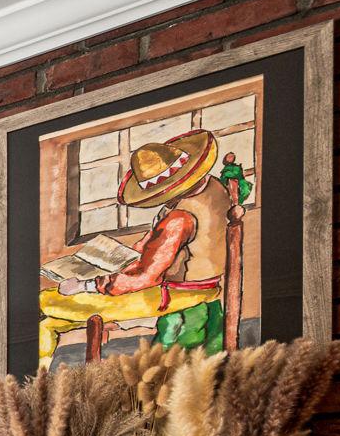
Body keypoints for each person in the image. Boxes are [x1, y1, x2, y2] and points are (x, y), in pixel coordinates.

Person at [37, 128, 236, 361]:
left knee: (47, 300)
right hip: (195, 283)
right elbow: (154, 247)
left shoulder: (179, 219)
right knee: (48, 320)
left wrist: (87, 285)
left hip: (178, 292)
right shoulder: (213, 188)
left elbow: (146, 277)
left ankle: (38, 374)